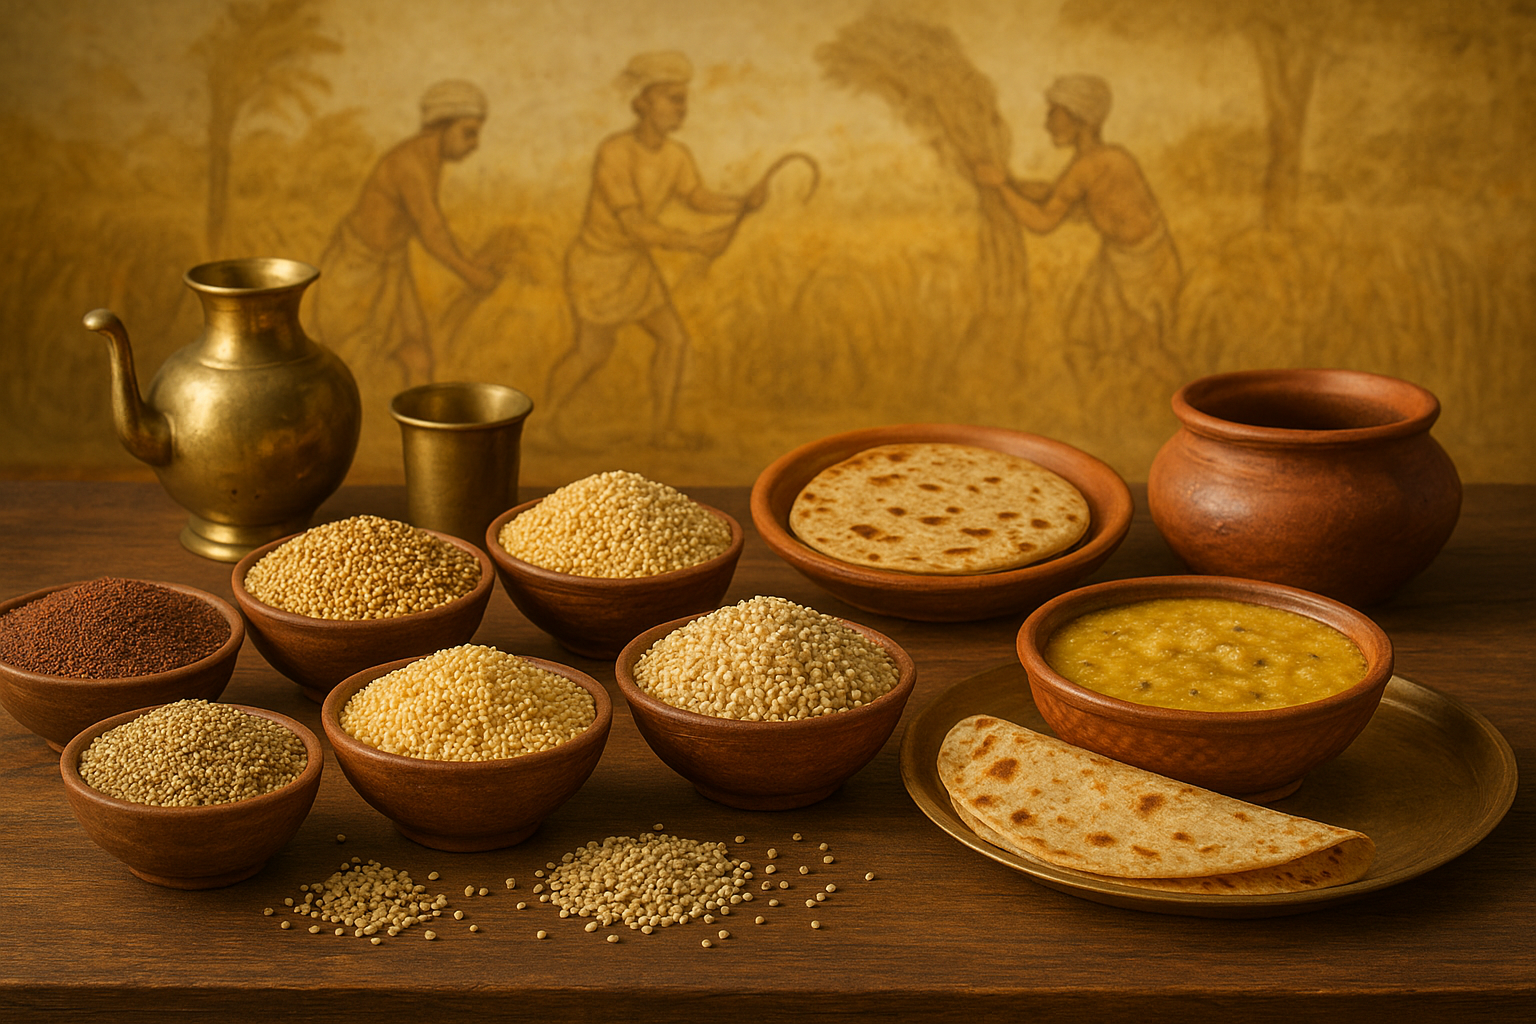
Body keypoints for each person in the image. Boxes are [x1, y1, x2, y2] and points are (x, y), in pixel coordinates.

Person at [546, 51, 765, 445]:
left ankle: (662, 431)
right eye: (673, 98)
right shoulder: (615, 152)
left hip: (635, 266)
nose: (682, 109)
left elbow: (696, 197)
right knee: (592, 352)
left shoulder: (676, 155)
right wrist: (695, 243)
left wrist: (740, 201)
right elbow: (635, 226)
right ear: (642, 103)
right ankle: (545, 422)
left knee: (674, 340)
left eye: (683, 99)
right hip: (598, 265)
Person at [974, 74, 1182, 369]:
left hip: (1144, 269)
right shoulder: (1106, 158)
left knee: (1145, 352)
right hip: (1121, 261)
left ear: (1079, 116)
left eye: (1053, 113)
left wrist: (1001, 188)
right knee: (1080, 338)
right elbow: (1053, 193)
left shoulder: (1089, 166)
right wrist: (1010, 181)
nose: (1047, 123)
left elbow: (1043, 221)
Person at [315, 80, 500, 387]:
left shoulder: (428, 159)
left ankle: (420, 431)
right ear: (442, 126)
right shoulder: (410, 163)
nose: (475, 143)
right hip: (356, 273)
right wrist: (473, 275)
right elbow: (432, 234)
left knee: (417, 355)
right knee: (346, 365)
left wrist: (472, 260)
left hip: (391, 268)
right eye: (469, 132)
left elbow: (431, 225)